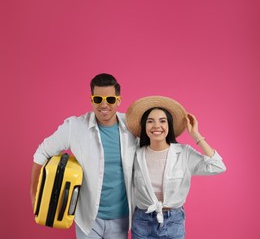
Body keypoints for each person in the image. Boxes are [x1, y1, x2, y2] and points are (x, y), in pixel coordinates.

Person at [30, 73, 137, 239]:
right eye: (97, 99)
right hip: (88, 220)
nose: (103, 105)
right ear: (91, 100)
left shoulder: (133, 127)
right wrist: (34, 193)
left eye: (109, 99)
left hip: (121, 220)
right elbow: (42, 152)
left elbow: (158, 143)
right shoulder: (75, 126)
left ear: (118, 100)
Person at [125, 96, 226, 239]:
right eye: (150, 121)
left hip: (174, 221)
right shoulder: (135, 154)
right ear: (144, 126)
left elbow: (218, 166)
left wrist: (196, 135)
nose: (156, 126)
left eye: (162, 121)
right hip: (142, 221)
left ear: (169, 125)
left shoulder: (184, 153)